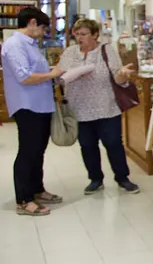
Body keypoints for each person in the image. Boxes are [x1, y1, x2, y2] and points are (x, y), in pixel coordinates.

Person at [58, 19, 140, 195]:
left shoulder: (106, 50)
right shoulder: (70, 53)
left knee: (113, 143)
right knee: (87, 146)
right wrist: (71, 76)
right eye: (77, 34)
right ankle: (95, 179)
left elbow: (116, 77)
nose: (79, 38)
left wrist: (123, 75)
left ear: (95, 35)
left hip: (106, 106)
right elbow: (60, 75)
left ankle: (122, 178)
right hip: (79, 109)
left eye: (84, 34)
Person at [2, 7, 64, 216]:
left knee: (38, 150)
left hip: (41, 104)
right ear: (31, 23)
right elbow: (24, 77)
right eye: (42, 27)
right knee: (28, 152)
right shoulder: (14, 45)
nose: (43, 31)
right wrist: (51, 74)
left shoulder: (31, 44)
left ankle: (37, 189)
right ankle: (23, 199)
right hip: (27, 105)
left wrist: (52, 74)